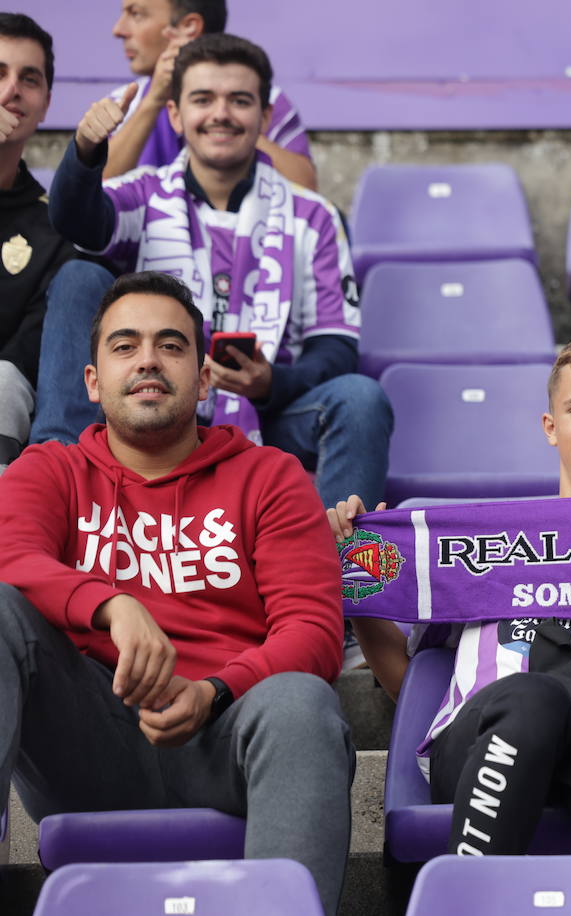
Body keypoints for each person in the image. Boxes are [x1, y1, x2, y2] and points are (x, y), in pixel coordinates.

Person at [0, 270, 354, 913]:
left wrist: (214, 692)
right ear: (91, 380)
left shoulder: (270, 476)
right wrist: (110, 603)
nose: (147, 361)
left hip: (229, 739)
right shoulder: (48, 470)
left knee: (303, 700)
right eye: (124, 345)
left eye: (170, 345)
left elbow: (313, 631)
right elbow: (10, 559)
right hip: (91, 740)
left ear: (202, 376)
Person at [329, 334, 571, 916]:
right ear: (551, 426)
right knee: (534, 695)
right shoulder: (481, 541)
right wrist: (363, 575)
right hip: (482, 750)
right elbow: (412, 680)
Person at [39, 32, 390, 510]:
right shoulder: (143, 194)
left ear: (264, 117)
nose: (220, 114)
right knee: (78, 275)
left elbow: (335, 347)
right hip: (158, 409)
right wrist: (84, 151)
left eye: (239, 100)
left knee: (361, 399)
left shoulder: (314, 216)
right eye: (203, 99)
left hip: (271, 418)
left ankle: (346, 571)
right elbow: (76, 220)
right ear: (176, 115)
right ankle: (54, 483)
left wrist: (270, 385)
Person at [105, 0, 315, 187]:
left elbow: (306, 192)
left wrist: (239, 121)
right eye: (201, 100)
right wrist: (154, 100)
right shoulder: (123, 103)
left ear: (189, 27)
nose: (118, 30)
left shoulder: (266, 99)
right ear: (174, 112)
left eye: (136, 14)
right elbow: (94, 198)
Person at [0, 13, 71, 465]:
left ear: (45, 104)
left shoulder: (54, 228)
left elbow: (23, 359)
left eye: (29, 78)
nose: (11, 90)